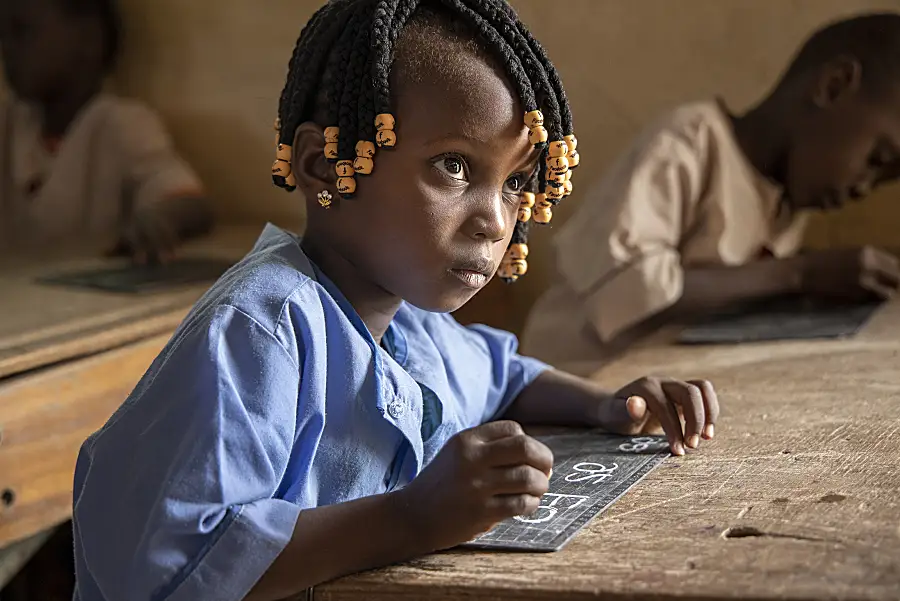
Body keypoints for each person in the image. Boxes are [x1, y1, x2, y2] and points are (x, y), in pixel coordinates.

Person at [71, 2, 719, 600]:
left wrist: (607, 403)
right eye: (455, 166)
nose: (495, 220)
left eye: (516, 181)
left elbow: (505, 376)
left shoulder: (412, 318)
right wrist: (412, 516)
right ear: (325, 166)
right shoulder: (262, 327)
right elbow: (176, 567)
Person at [521, 13, 900, 375]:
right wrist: (801, 274)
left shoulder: (784, 195)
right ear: (833, 86)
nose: (864, 188)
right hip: (572, 388)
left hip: (663, 393)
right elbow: (627, 289)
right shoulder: (691, 141)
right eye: (876, 159)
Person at [0, 0, 212, 262]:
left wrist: (160, 221)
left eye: (22, 31)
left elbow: (190, 202)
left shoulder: (120, 123)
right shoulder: (10, 120)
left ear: (89, 40)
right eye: (3, 35)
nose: (7, 48)